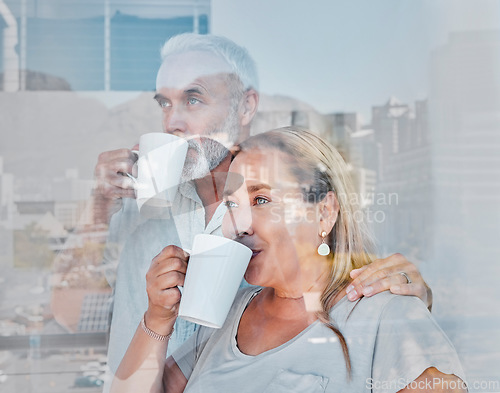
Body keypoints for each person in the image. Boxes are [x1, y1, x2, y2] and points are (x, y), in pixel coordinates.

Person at [93, 34, 432, 375]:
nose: (171, 123)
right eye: (164, 104)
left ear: (246, 105)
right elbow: (71, 312)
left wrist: (404, 298)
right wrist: (96, 207)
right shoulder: (133, 205)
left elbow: (361, 283)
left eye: (193, 99)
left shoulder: (296, 211)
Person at [111, 127, 466, 393]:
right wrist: (158, 319)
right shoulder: (227, 315)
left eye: (262, 200)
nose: (239, 223)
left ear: (324, 212)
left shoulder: (389, 314)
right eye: (232, 205)